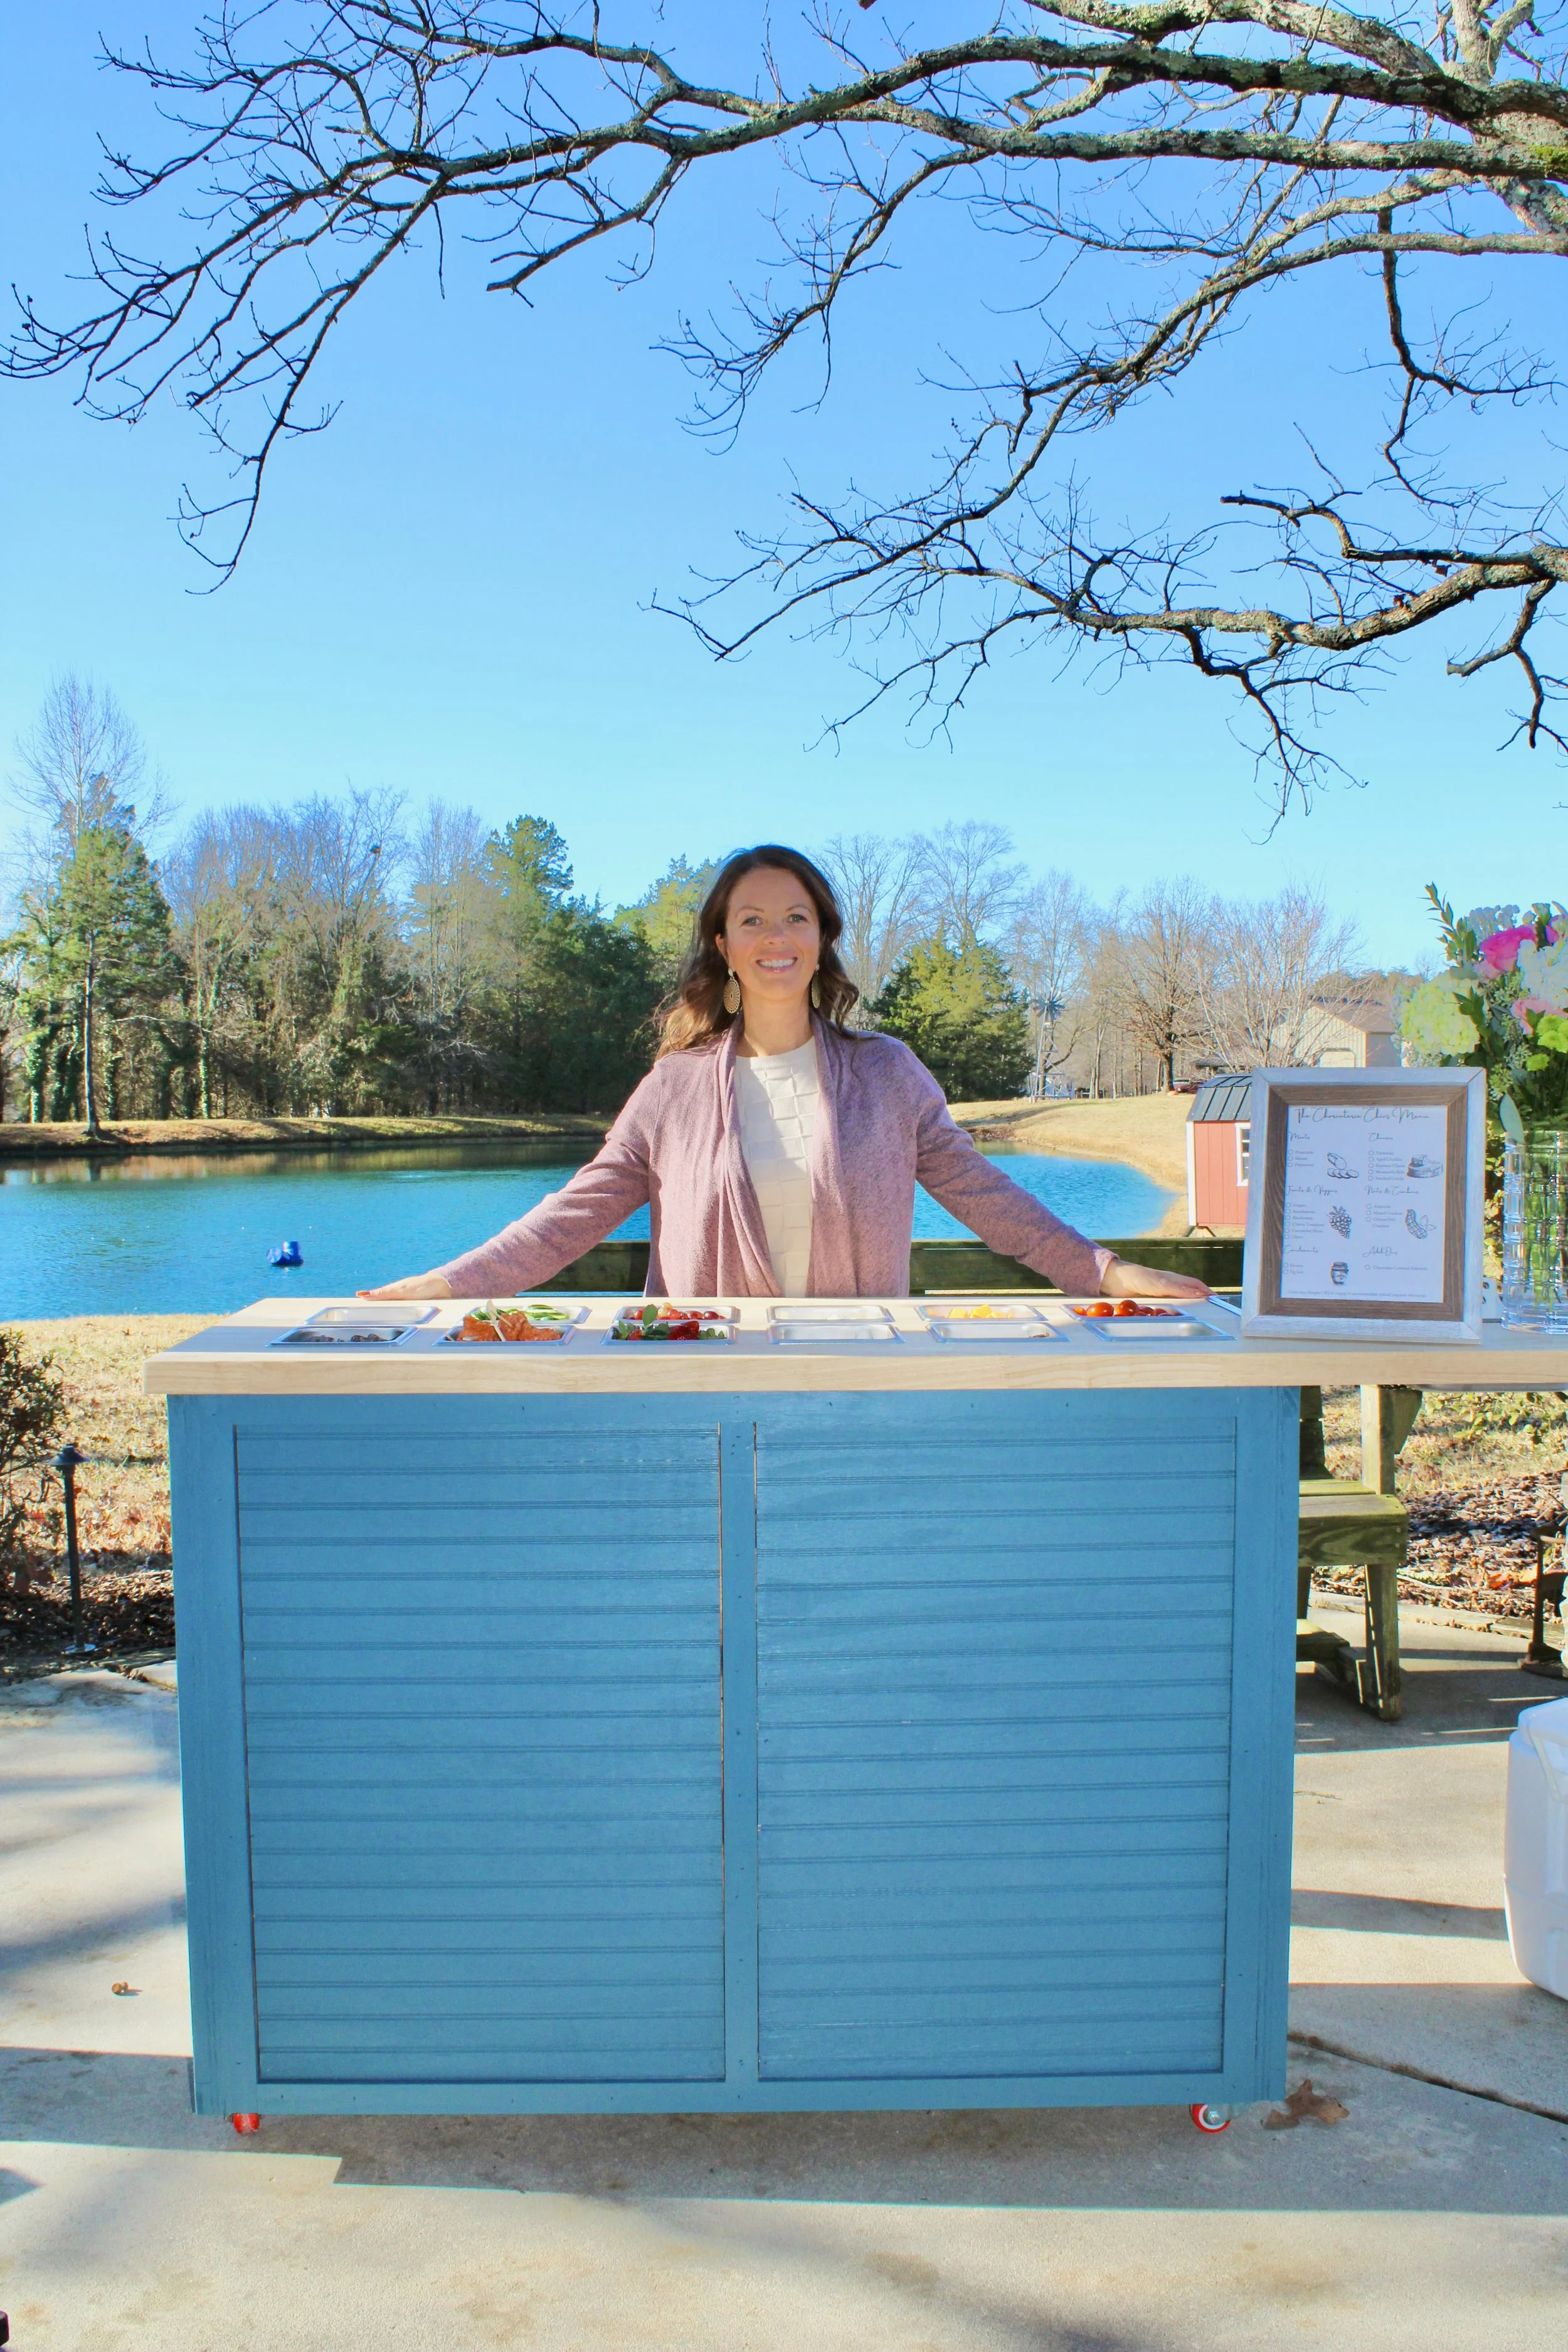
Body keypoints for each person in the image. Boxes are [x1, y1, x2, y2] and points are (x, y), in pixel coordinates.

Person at [361, 844, 1207, 1305]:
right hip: (704, 1390)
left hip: (853, 1398)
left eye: (796, 916)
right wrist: (443, 1285)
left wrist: (1102, 1270)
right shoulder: (673, 1090)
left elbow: (990, 1198)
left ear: (821, 938)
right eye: (753, 917)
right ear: (723, 944)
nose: (777, 933)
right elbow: (566, 1220)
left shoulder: (888, 1075)